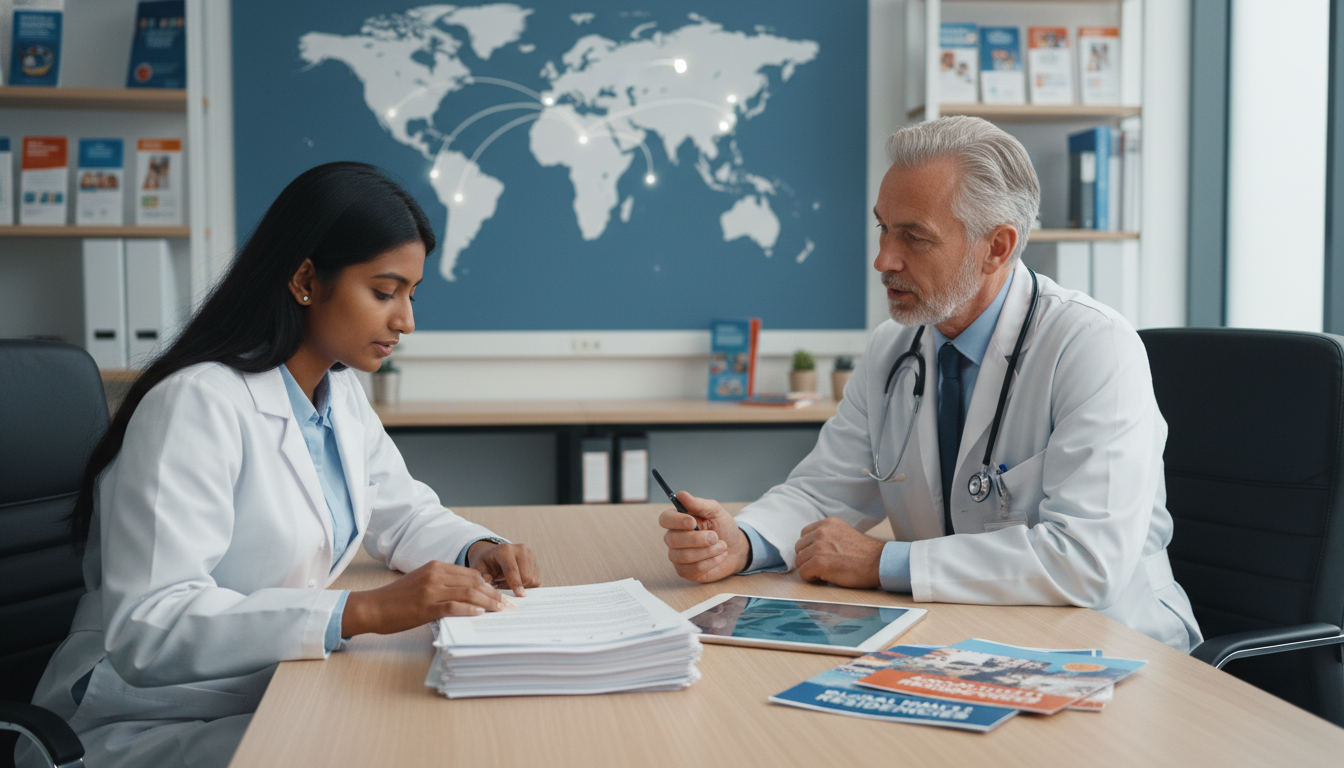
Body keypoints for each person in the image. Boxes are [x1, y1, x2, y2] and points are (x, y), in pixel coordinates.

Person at [18, 162, 541, 768]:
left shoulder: (338, 394)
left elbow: (401, 512)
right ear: (305, 280)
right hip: (143, 716)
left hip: (260, 687)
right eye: (384, 292)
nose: (406, 320)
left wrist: (476, 548)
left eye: (411, 295)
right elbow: (151, 626)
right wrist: (362, 610)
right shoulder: (195, 403)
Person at [658, 116, 1202, 653]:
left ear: (996, 247)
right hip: (964, 638)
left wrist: (883, 562)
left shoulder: (1092, 346)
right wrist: (742, 542)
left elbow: (1087, 561)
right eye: (883, 228)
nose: (883, 259)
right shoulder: (893, 348)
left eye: (914, 237)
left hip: (1111, 648)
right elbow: (825, 489)